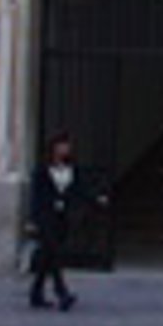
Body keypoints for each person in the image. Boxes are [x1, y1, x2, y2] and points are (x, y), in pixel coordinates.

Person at [25, 133, 104, 311]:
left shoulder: (72, 170)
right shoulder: (42, 171)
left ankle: (36, 293)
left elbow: (79, 190)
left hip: (61, 217)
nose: (65, 149)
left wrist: (96, 199)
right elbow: (35, 197)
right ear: (53, 148)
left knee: (47, 255)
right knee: (53, 252)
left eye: (67, 145)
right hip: (45, 216)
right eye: (61, 145)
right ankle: (62, 292)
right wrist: (32, 219)